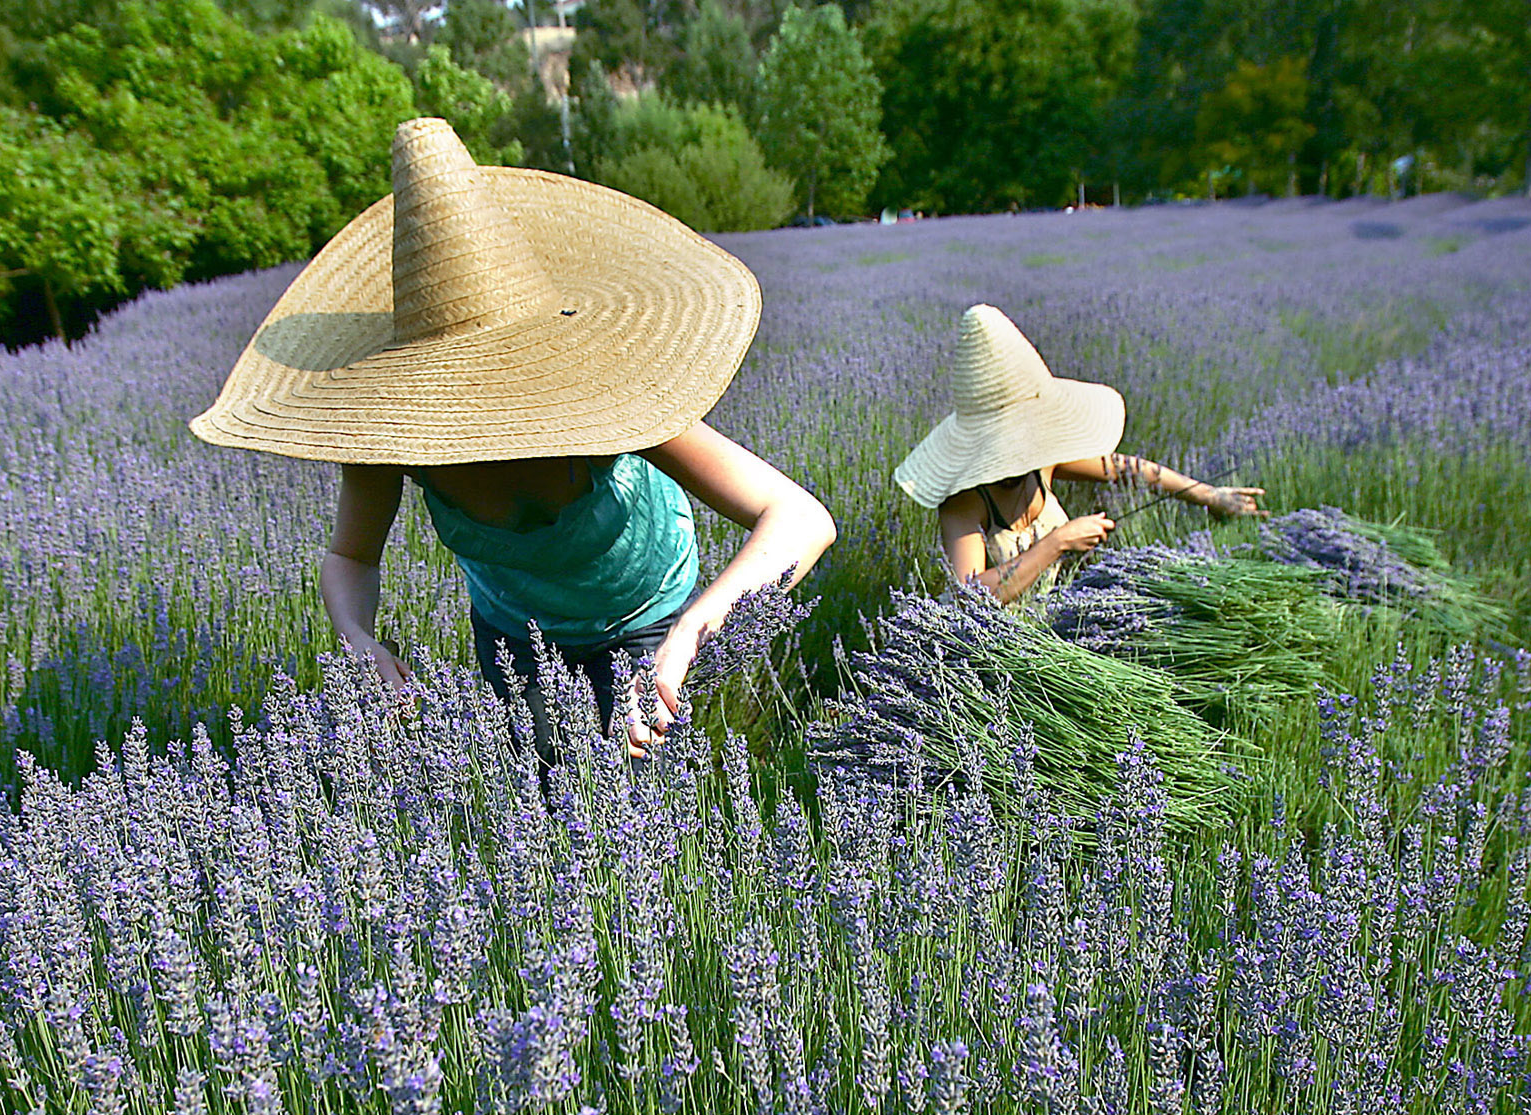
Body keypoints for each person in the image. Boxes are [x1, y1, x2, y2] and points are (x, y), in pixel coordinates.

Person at [190, 118, 835, 760]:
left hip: (647, 616)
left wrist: (699, 626)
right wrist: (361, 642)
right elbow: (350, 559)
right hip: (514, 632)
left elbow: (800, 519)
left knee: (644, 803)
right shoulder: (397, 436)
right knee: (544, 795)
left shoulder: (601, 393)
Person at [894, 305, 1264, 605]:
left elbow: (1125, 469)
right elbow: (969, 598)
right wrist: (1058, 544)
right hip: (1004, 653)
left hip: (1069, 619)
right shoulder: (964, 503)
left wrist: (1207, 495)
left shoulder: (1041, 461)